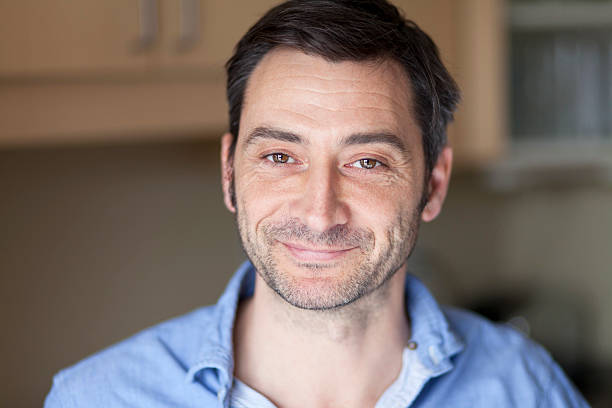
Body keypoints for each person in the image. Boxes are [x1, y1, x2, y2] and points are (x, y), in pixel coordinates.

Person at [45, 0, 589, 407]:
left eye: (367, 162)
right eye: (281, 156)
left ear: (435, 183)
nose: (319, 212)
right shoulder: (99, 397)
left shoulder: (525, 387)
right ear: (230, 171)